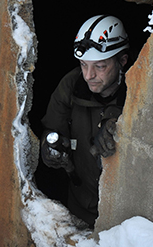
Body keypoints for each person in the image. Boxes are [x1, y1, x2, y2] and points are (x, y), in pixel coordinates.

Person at [40, 14, 129, 226]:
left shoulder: (139, 90)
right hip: (81, 207)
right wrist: (49, 150)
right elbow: (51, 129)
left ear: (122, 61)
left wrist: (118, 124)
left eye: (100, 66)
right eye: (83, 64)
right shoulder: (71, 86)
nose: (88, 75)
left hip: (126, 218)